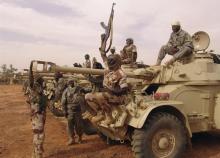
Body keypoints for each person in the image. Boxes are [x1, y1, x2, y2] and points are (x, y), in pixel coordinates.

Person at [85, 54, 129, 126]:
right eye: (110, 61)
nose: (110, 63)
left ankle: (109, 117)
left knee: (100, 96)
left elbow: (124, 89)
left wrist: (111, 91)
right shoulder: (108, 71)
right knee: (88, 96)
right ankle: (100, 114)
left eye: (112, 61)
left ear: (117, 63)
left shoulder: (121, 74)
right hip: (108, 94)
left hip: (118, 97)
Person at [61, 78, 84, 145]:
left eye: (72, 81)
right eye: (70, 82)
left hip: (78, 111)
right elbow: (63, 102)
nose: (71, 83)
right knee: (69, 125)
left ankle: (80, 137)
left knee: (79, 125)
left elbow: (83, 98)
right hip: (70, 111)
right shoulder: (66, 91)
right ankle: (71, 138)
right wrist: (64, 111)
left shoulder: (79, 89)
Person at [29, 74, 47, 158]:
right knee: (39, 134)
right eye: (42, 81)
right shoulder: (35, 90)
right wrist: (30, 69)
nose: (44, 83)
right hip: (38, 115)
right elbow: (31, 82)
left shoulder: (39, 91)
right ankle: (38, 153)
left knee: (38, 133)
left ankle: (37, 151)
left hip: (39, 115)